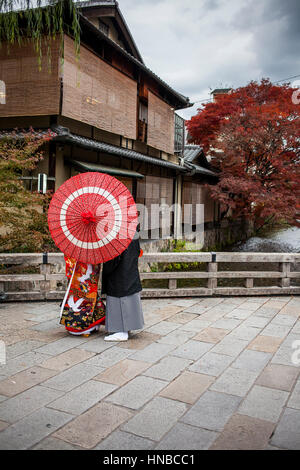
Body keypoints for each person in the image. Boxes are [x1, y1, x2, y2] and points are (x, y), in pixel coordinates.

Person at [102, 236, 144, 341]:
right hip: (129, 270)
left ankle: (121, 331)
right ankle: (126, 328)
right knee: (128, 297)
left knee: (120, 299)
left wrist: (105, 267)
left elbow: (112, 259)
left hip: (119, 274)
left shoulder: (117, 235)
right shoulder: (130, 232)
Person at [60, 256, 105, 336]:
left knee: (85, 293)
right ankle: (87, 325)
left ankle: (80, 324)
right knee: (86, 292)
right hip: (88, 259)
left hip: (79, 262)